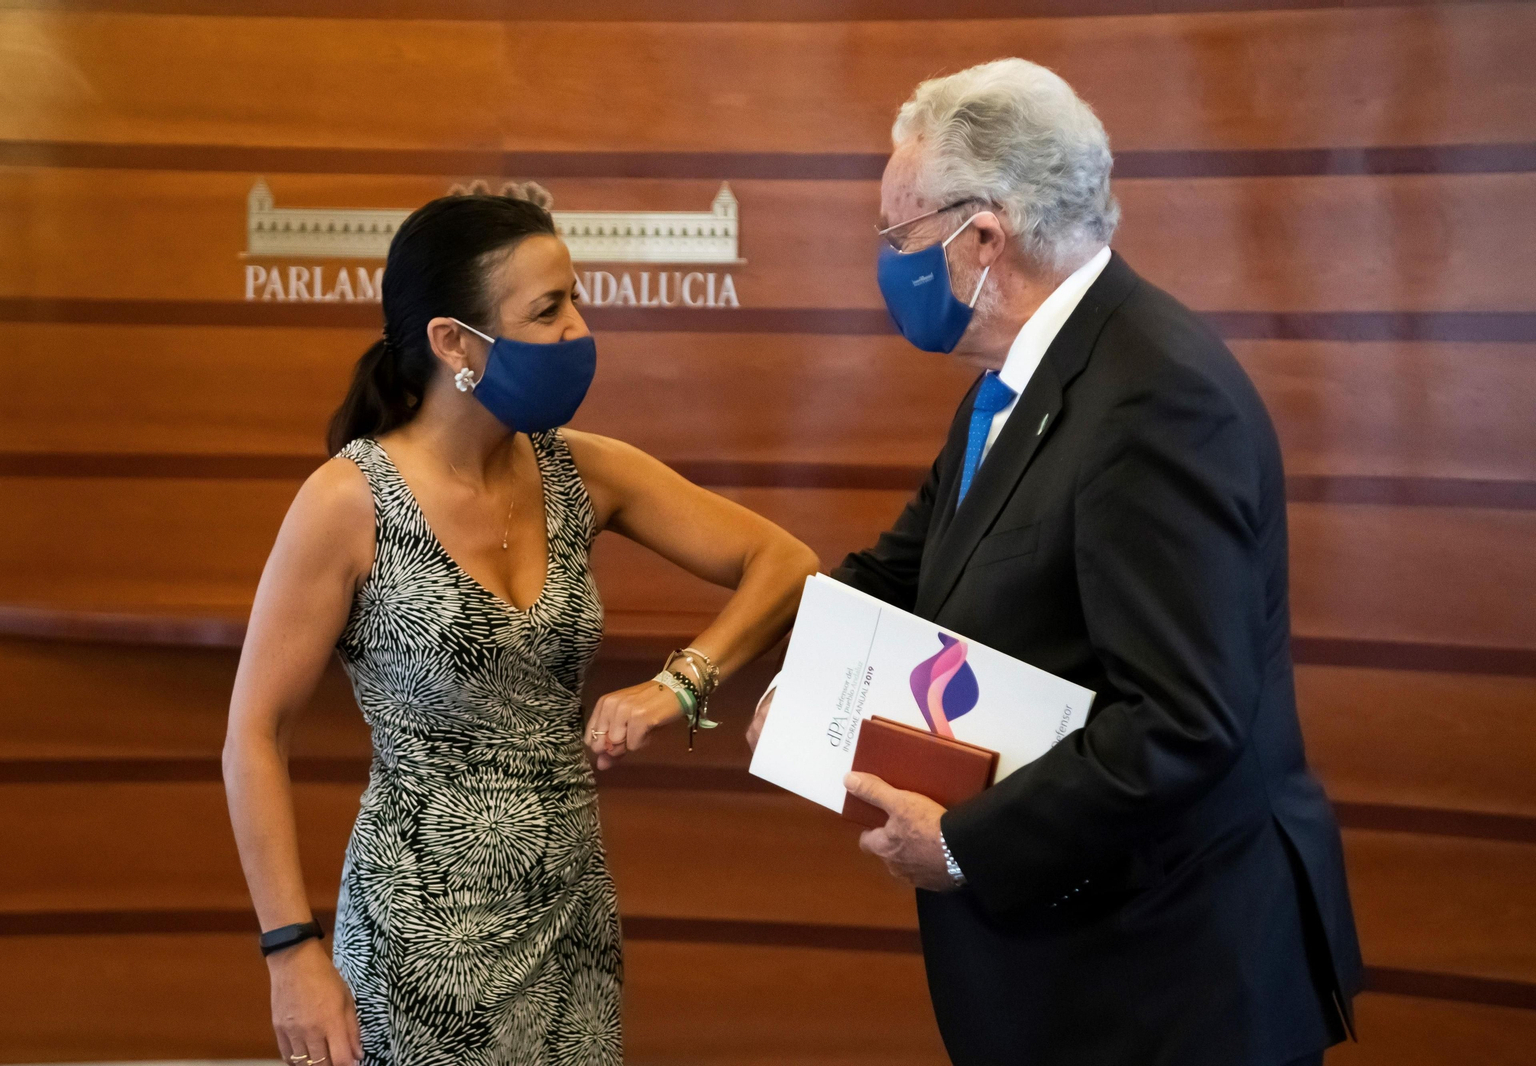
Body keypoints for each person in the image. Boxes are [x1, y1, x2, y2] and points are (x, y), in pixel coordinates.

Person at [749, 59, 1361, 1066]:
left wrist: (960, 844)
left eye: (897, 235)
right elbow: (905, 566)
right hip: (1075, 972)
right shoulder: (1016, 379)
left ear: (981, 237)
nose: (887, 262)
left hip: (1162, 984)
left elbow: (1182, 719)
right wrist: (806, 674)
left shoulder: (1156, 399)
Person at [223, 191, 817, 1066]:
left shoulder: (580, 468)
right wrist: (289, 951)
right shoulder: (347, 501)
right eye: (548, 309)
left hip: (571, 918)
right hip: (415, 933)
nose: (578, 329)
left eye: (575, 299)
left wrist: (680, 684)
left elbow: (786, 564)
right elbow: (253, 734)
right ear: (454, 344)